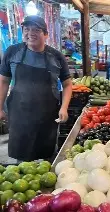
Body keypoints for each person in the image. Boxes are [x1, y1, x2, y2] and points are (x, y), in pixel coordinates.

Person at [0, 15, 72, 161]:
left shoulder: (56, 57)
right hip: (19, 114)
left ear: (45, 34)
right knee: (22, 158)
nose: (30, 33)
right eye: (27, 29)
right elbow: (3, 81)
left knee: (47, 156)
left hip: (47, 115)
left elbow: (67, 84)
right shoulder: (12, 52)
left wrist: (64, 108)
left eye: (36, 30)